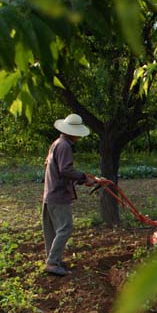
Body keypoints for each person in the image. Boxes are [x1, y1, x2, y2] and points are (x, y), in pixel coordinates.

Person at [42, 113, 95, 276]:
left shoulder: (56, 144)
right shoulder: (65, 146)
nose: (79, 137)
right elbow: (65, 170)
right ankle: (52, 263)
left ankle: (53, 259)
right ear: (72, 132)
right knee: (65, 228)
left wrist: (80, 179)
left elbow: (55, 168)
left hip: (49, 193)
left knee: (53, 230)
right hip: (58, 195)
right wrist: (83, 177)